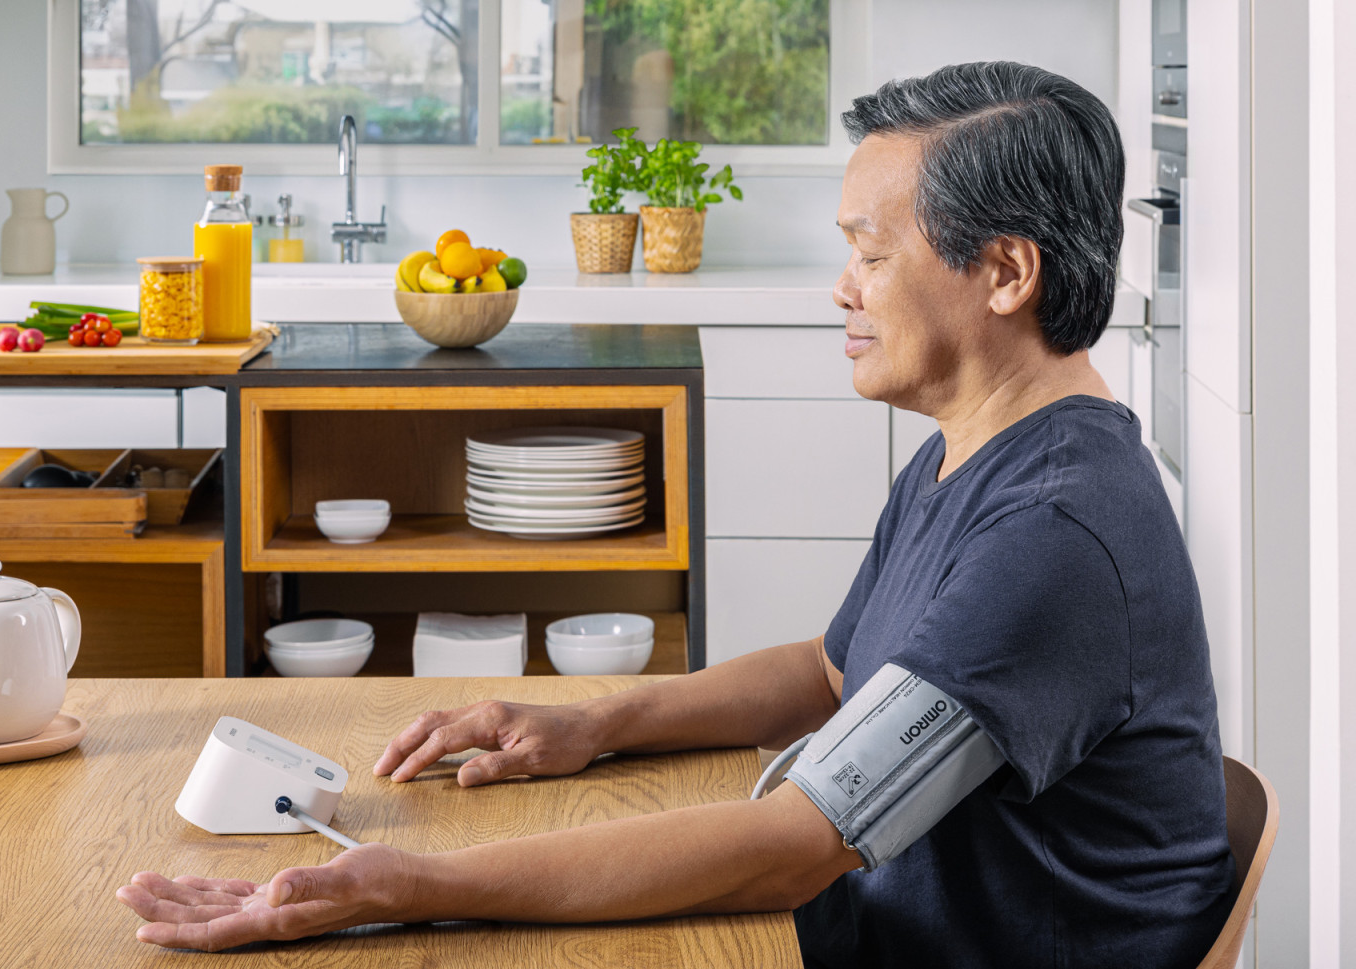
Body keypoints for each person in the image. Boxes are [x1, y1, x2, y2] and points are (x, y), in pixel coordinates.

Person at [116, 62, 1235, 967]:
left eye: (871, 253)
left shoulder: (1057, 533)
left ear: (1004, 273)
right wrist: (594, 723)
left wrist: (407, 886)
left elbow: (792, 850)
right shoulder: (983, 447)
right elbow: (832, 672)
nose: (842, 288)